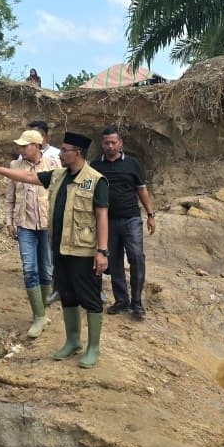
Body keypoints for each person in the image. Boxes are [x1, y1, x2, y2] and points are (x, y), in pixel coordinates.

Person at [0, 132, 109, 369]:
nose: (60, 153)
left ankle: (93, 347)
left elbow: (102, 216)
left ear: (77, 153)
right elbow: (29, 177)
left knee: (90, 298)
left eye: (65, 150)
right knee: (68, 296)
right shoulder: (59, 175)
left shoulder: (96, 180)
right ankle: (73, 341)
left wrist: (102, 251)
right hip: (60, 248)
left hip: (84, 250)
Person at [93, 126, 158, 319]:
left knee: (136, 257)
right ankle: (121, 300)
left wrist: (151, 214)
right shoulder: (96, 166)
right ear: (102, 144)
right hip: (108, 222)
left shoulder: (132, 164)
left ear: (120, 143)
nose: (110, 146)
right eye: (107, 143)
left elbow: (142, 189)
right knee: (114, 261)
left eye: (114, 142)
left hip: (131, 218)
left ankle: (137, 302)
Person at [5, 129, 61, 338]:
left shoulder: (54, 165)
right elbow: (10, 197)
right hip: (25, 225)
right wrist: (9, 221)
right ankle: (38, 316)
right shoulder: (14, 166)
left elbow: (59, 194)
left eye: (24, 145)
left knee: (46, 269)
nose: (20, 149)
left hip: (47, 225)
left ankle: (43, 312)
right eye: (20, 146)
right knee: (30, 269)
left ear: (36, 146)